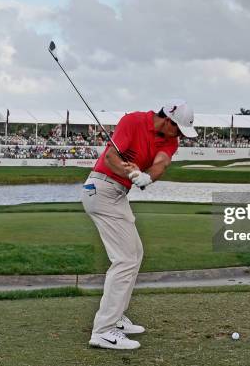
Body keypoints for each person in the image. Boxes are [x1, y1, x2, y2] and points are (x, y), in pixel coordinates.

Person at [82, 100, 197, 350]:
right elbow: (111, 157)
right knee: (124, 259)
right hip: (101, 189)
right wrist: (129, 173)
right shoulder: (133, 121)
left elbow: (161, 164)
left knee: (135, 254)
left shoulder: (170, 140)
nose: (180, 136)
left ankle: (116, 317)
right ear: (168, 120)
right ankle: (103, 330)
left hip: (117, 194)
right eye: (178, 129)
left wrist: (145, 177)